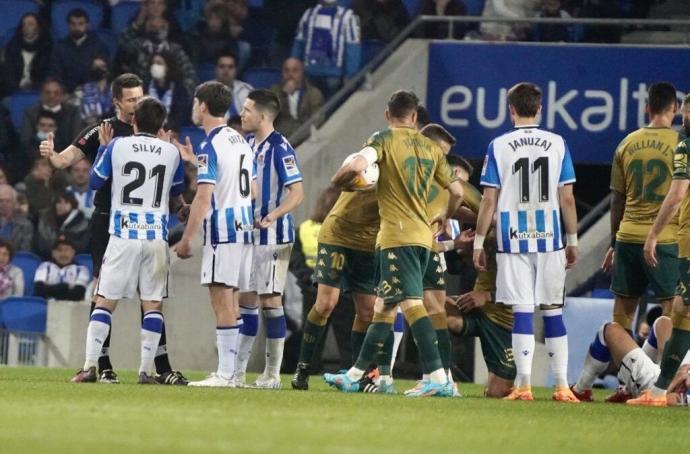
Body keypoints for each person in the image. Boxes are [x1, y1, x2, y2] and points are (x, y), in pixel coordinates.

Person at [39, 74, 188, 386]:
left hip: (124, 226)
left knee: (116, 296)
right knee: (127, 295)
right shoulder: (104, 130)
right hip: (112, 222)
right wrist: (51, 156)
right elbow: (65, 160)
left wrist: (181, 204)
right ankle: (108, 366)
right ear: (117, 102)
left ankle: (151, 366)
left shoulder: (117, 143)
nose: (137, 103)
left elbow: (94, 179)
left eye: (140, 98)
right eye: (131, 99)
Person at [324, 90, 464, 397]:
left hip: (397, 237)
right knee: (384, 306)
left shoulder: (384, 139)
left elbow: (359, 164)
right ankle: (361, 375)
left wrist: (336, 181)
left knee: (411, 304)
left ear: (388, 115)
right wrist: (444, 216)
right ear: (415, 117)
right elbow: (457, 192)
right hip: (424, 238)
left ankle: (439, 377)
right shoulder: (431, 147)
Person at [473, 82, 579, 402]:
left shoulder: (499, 145)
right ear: (540, 108)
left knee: (521, 309)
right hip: (550, 238)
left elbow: (488, 200)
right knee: (552, 311)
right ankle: (561, 386)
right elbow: (568, 198)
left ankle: (524, 385)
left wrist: (479, 241)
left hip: (512, 239)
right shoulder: (557, 143)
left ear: (511, 110)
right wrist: (572, 239)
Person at [173, 81, 254, 387]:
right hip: (243, 229)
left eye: (196, 103)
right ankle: (232, 373)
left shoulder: (211, 146)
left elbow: (205, 197)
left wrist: (186, 239)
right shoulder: (238, 139)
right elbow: (251, 188)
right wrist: (194, 161)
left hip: (222, 230)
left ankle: (224, 374)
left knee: (221, 301)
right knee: (232, 303)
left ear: (203, 106)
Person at [236, 89, 305, 388]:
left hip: (274, 235)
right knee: (246, 301)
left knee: (271, 301)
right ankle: (237, 372)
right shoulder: (248, 143)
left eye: (248, 109)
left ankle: (273, 374)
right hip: (250, 234)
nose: (243, 114)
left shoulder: (280, 147)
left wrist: (273, 216)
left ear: (263, 116)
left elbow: (297, 192)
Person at [601, 83, 680, 336]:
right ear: (675, 108)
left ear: (647, 108)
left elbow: (617, 201)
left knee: (622, 313)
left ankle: (626, 375)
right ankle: (667, 374)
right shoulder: (682, 145)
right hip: (665, 240)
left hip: (628, 237)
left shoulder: (626, 144)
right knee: (671, 311)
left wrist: (614, 244)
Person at [290, 181, 379, 390]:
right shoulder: (367, 162)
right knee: (325, 305)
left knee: (368, 311)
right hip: (338, 239)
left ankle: (358, 373)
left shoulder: (404, 178)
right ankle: (303, 368)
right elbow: (338, 179)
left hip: (367, 245)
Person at [628, 114, 690, 406]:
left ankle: (662, 390)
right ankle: (659, 391)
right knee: (679, 310)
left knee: (682, 310)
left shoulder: (686, 145)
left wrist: (653, 234)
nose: (686, 118)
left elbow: (677, 194)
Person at [571, 317, 673, 402]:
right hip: (667, 385)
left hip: (662, 387)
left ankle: (581, 390)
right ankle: (627, 390)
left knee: (609, 329)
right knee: (661, 323)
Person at [291, 0, 361, 98]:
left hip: (314, 72)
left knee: (313, 107)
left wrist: (293, 70)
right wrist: (350, 75)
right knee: (329, 109)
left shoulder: (309, 14)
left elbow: (299, 45)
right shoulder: (349, 17)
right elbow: (352, 49)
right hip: (328, 74)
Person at [115, 16, 197, 97]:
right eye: (152, 27)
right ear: (146, 28)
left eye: (161, 27)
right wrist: (137, 24)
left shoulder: (176, 50)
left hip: (172, 98)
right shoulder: (136, 47)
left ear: (167, 28)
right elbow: (121, 42)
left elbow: (190, 75)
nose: (157, 30)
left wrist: (180, 95)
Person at [49, 8, 109, 93]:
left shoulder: (98, 46)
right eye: (73, 24)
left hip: (92, 95)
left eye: (81, 24)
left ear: (88, 25)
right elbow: (55, 73)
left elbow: (104, 75)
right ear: (68, 25)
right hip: (66, 94)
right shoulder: (59, 47)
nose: (76, 27)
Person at [20, 79, 83, 154]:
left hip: (65, 156)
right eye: (47, 92)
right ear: (41, 94)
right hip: (36, 155)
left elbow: (76, 139)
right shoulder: (30, 113)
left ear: (62, 95)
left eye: (56, 93)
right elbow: (26, 140)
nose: (51, 96)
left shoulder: (73, 112)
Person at [270, 58, 324, 140]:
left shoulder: (313, 93)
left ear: (302, 73)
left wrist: (301, 132)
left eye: (295, 71)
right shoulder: (274, 91)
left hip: (306, 139)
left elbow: (318, 119)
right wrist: (283, 94)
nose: (290, 74)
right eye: (286, 71)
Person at [0, 13, 52, 97]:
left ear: (38, 28)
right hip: (12, 92)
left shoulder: (48, 47)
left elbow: (50, 73)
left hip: (41, 93)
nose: (26, 27)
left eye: (30, 24)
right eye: (24, 24)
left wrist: (35, 86)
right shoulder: (12, 46)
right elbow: (8, 73)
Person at [33, 191, 89, 259]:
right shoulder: (44, 221)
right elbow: (40, 244)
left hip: (74, 261)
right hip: (46, 259)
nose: (61, 206)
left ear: (72, 205)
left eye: (66, 202)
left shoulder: (81, 223)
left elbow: (82, 246)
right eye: (59, 202)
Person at [146, 51, 192, 131]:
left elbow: (182, 115)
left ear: (168, 67)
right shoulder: (145, 87)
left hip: (172, 132)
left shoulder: (179, 89)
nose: (155, 66)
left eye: (159, 63)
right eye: (153, 63)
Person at [34, 236, 90, 301]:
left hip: (72, 308)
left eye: (66, 250)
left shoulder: (81, 270)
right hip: (47, 307)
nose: (63, 254)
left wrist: (50, 289)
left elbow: (77, 294)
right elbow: (39, 290)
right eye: (59, 250)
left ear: (73, 252)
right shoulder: (45, 266)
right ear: (53, 253)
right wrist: (65, 288)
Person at [73, 56, 113, 125]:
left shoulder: (114, 91)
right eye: (95, 66)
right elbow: (75, 114)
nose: (98, 69)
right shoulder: (81, 90)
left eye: (102, 66)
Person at [214, 52, 253, 117]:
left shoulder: (246, 89)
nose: (226, 70)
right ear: (215, 69)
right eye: (222, 66)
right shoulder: (205, 92)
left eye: (230, 67)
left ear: (236, 70)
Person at [0, 184, 33, 251]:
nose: (4, 204)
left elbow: (24, 250)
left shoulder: (25, 225)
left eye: (8, 201)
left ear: (14, 203)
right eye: (0, 201)